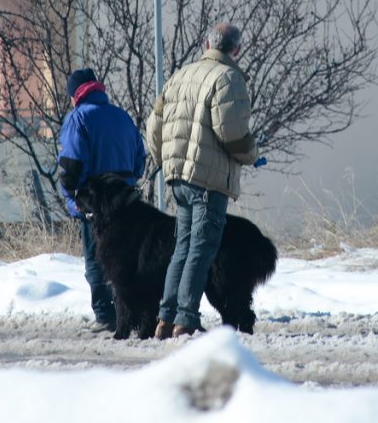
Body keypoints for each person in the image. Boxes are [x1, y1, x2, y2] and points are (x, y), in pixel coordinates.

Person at [147, 22, 260, 339]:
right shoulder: (229, 78)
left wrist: (166, 161)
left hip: (177, 178)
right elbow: (232, 133)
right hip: (208, 182)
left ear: (206, 43)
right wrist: (251, 154)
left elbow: (153, 128)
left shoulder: (179, 76)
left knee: (181, 248)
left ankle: (165, 318)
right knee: (201, 249)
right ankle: (186, 318)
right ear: (236, 49)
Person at [58, 68, 146, 333]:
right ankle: (130, 313)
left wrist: (73, 201)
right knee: (127, 260)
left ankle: (105, 315)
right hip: (128, 203)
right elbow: (139, 162)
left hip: (95, 205)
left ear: (75, 95)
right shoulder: (122, 117)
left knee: (97, 260)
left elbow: (71, 167)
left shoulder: (77, 119)